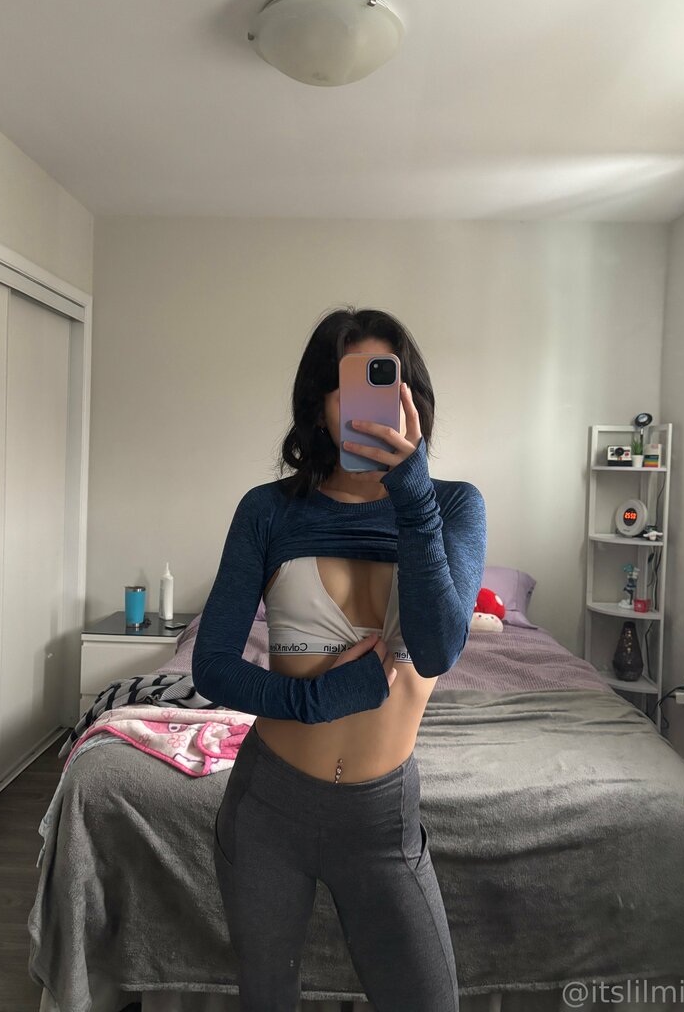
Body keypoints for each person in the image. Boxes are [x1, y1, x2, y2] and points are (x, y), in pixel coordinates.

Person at [192, 307, 487, 1012]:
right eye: (348, 386)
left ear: (411, 397)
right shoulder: (268, 510)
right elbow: (212, 665)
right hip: (268, 805)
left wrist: (411, 493)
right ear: (319, 406)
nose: (367, 405)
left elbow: (438, 648)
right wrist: (314, 699)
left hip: (383, 820)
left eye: (385, 383)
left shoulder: (453, 507)